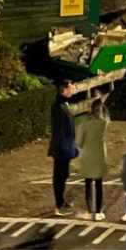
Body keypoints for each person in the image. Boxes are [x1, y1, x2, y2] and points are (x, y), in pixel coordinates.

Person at [75, 98, 110, 220]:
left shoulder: (85, 123)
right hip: (99, 155)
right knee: (99, 184)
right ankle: (99, 210)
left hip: (88, 155)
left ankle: (91, 211)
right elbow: (107, 115)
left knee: (89, 184)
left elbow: (79, 142)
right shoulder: (103, 123)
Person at [47, 80, 79, 215]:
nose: (72, 90)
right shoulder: (58, 106)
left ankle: (62, 201)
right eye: (70, 88)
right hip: (61, 148)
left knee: (64, 174)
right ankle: (59, 203)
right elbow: (58, 130)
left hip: (66, 146)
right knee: (59, 175)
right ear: (64, 89)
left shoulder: (65, 104)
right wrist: (63, 147)